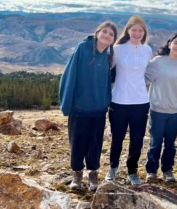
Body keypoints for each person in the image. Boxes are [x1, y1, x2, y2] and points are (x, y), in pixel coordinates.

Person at [59, 21, 117, 191]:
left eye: (111, 34)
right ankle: (76, 174)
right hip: (79, 107)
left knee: (95, 143)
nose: (107, 35)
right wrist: (67, 104)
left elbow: (107, 81)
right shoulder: (82, 48)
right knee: (77, 142)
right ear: (97, 32)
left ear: (113, 40)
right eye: (104, 32)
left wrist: (107, 100)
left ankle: (93, 174)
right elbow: (69, 75)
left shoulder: (108, 55)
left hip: (99, 109)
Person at [105, 16, 153, 185]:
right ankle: (113, 167)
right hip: (119, 100)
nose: (137, 33)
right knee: (117, 138)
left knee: (137, 140)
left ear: (144, 32)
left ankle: (132, 170)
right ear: (128, 31)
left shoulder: (147, 50)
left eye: (141, 30)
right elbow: (106, 71)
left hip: (140, 101)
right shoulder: (117, 49)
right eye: (134, 30)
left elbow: (148, 73)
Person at [145, 33, 177, 183]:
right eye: (176, 42)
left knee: (170, 143)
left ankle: (167, 170)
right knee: (155, 142)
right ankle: (151, 171)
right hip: (158, 108)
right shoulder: (158, 61)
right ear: (169, 43)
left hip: (176, 110)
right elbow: (143, 78)